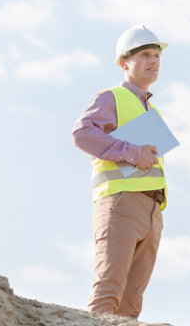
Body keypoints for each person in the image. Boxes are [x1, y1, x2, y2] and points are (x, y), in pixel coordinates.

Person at [72, 25, 169, 320]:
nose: (153, 60)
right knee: (107, 295)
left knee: (131, 304)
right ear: (123, 63)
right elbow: (82, 134)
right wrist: (133, 152)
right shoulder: (111, 97)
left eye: (156, 55)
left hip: (151, 211)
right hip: (120, 203)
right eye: (144, 54)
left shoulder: (154, 112)